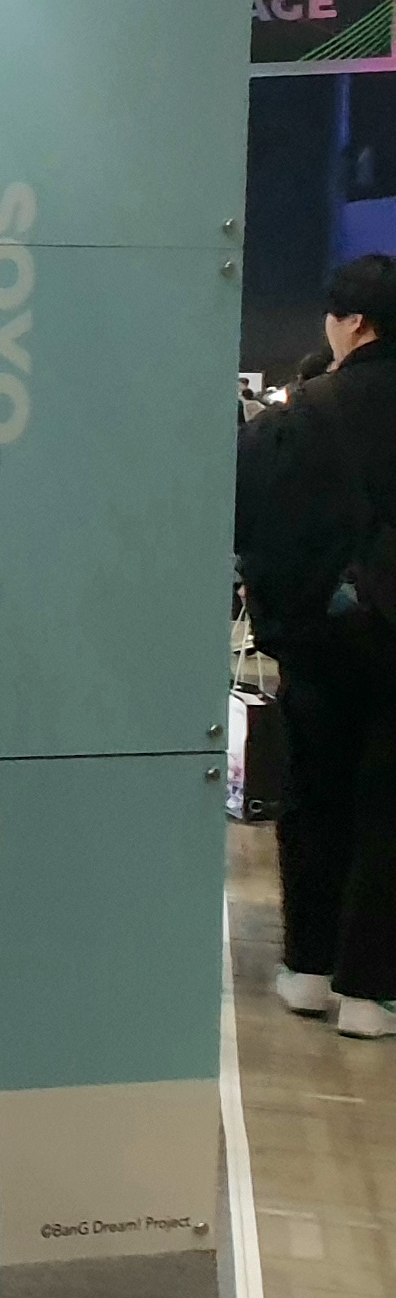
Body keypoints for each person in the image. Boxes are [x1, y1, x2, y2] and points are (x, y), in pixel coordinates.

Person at [252, 255, 396, 1035]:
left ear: (353, 324)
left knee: (313, 798)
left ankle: (307, 968)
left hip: (318, 639)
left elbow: (251, 518)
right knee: (387, 809)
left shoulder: (304, 412)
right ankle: (370, 991)